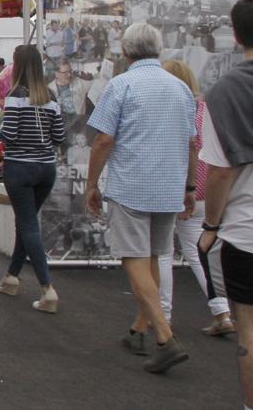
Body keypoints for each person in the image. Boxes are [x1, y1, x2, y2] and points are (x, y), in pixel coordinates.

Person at [85, 23, 195, 374]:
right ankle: (140, 328)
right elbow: (193, 143)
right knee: (153, 258)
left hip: (132, 184)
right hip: (169, 186)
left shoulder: (121, 85)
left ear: (126, 50)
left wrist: (91, 183)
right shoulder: (181, 88)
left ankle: (164, 336)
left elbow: (103, 140)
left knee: (133, 257)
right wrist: (190, 187)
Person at [197, 0, 253, 409]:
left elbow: (219, 171)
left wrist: (211, 226)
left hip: (246, 231)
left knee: (249, 334)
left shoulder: (227, 91)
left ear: (234, 35)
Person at [156, 60, 233, 336]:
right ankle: (221, 311)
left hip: (176, 189)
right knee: (199, 253)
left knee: (163, 253)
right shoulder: (206, 111)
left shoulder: (172, 112)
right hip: (204, 192)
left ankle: (163, 317)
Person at [0, 45, 64, 312]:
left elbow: (9, 135)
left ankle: (47, 288)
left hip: (20, 168)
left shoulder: (15, 97)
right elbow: (59, 137)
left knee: (27, 225)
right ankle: (11, 277)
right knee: (27, 224)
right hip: (46, 168)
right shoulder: (51, 96)